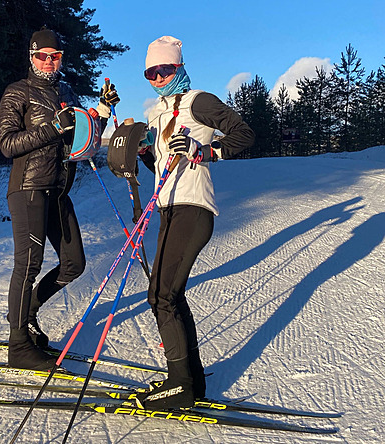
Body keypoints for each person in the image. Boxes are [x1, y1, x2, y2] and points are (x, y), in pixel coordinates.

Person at [134, 36, 255, 409]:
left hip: (193, 208)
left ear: (179, 68)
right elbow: (161, 167)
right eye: (151, 72)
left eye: (164, 69)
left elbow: (244, 134)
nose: (157, 77)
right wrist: (143, 154)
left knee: (161, 296)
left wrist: (206, 151)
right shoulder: (157, 111)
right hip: (168, 209)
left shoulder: (197, 100)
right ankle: (192, 381)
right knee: (168, 294)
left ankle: (180, 384)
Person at [0, 27, 119, 371]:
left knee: (73, 263)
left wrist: (102, 110)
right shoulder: (17, 92)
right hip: (28, 188)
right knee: (29, 264)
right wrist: (53, 127)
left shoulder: (66, 90)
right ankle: (18, 344)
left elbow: (85, 135)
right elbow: (7, 144)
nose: (49, 62)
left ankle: (28, 311)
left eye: (55, 56)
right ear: (31, 57)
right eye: (42, 56)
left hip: (58, 189)